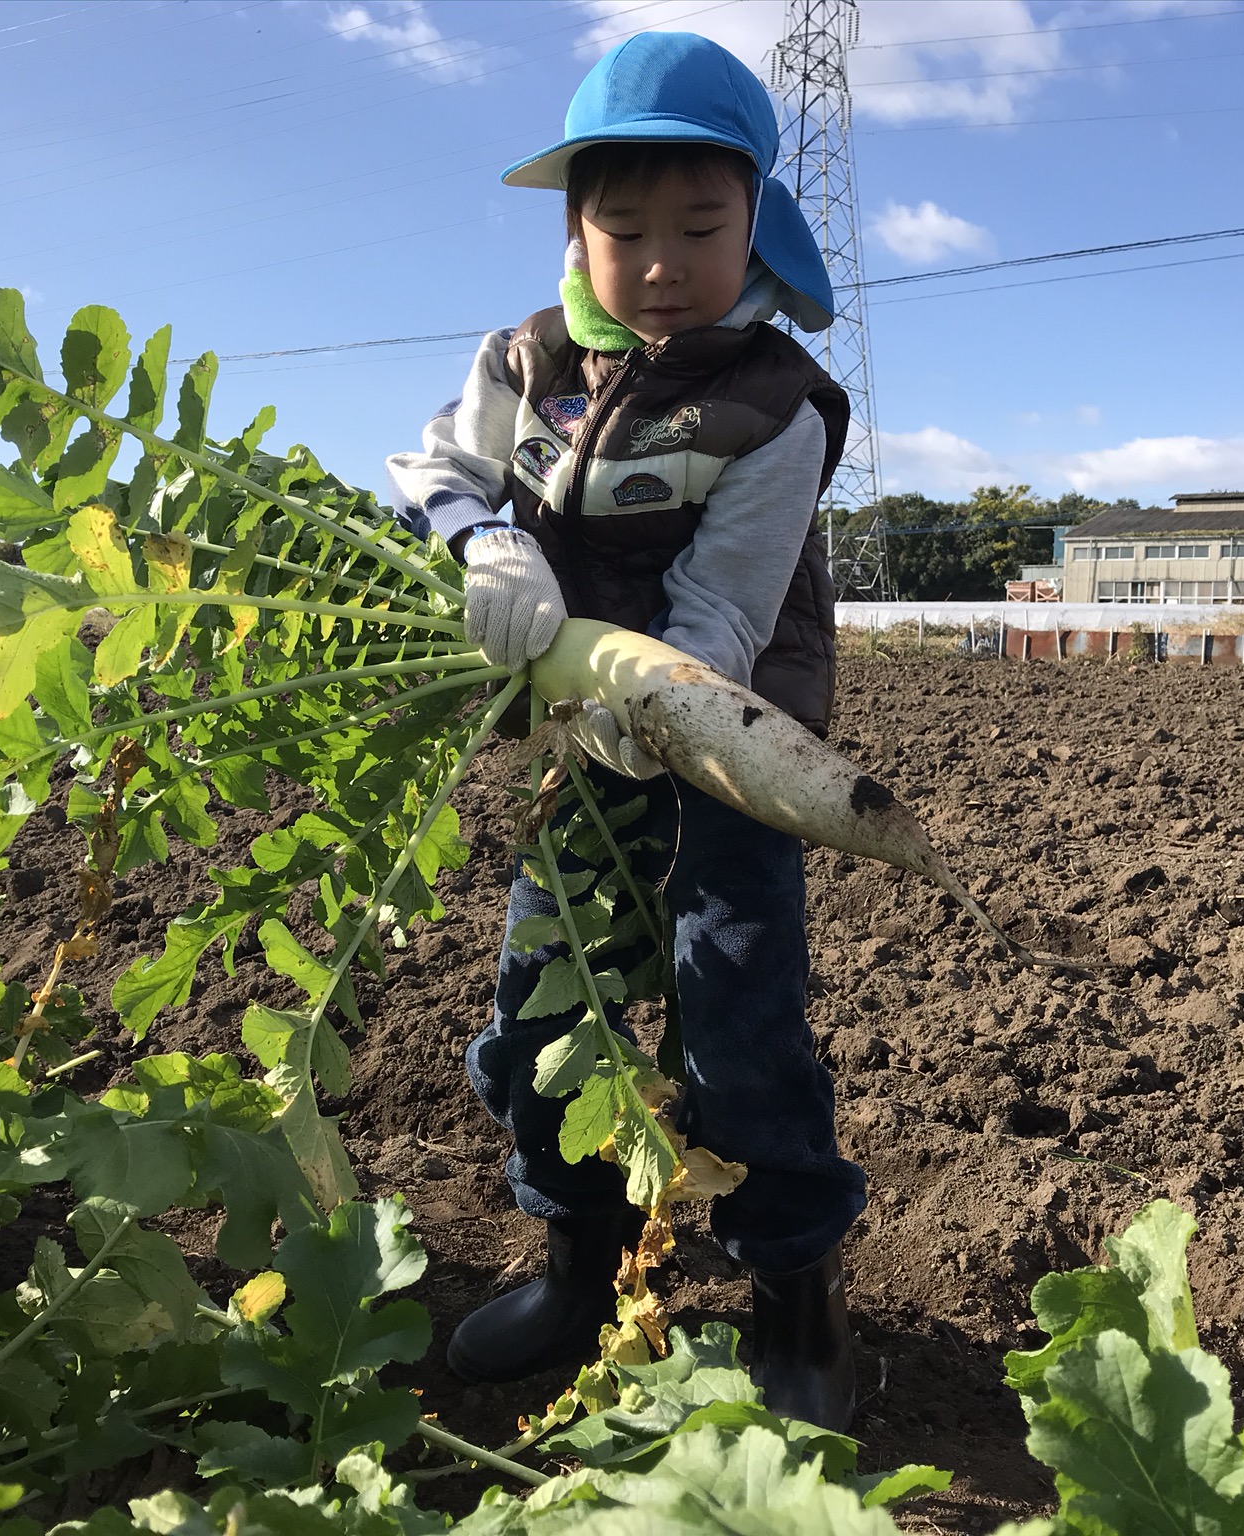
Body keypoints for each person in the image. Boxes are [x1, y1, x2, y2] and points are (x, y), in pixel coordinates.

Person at [384, 31, 867, 1432]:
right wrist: (483, 540)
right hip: (565, 760)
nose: (662, 259)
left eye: (701, 227)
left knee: (737, 1022)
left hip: (729, 756)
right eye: (626, 226)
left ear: (754, 222)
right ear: (574, 230)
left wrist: (582, 694)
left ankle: (795, 1292)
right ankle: (578, 1269)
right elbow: (436, 462)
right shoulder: (521, 361)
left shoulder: (777, 409)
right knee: (548, 1011)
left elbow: (716, 628)